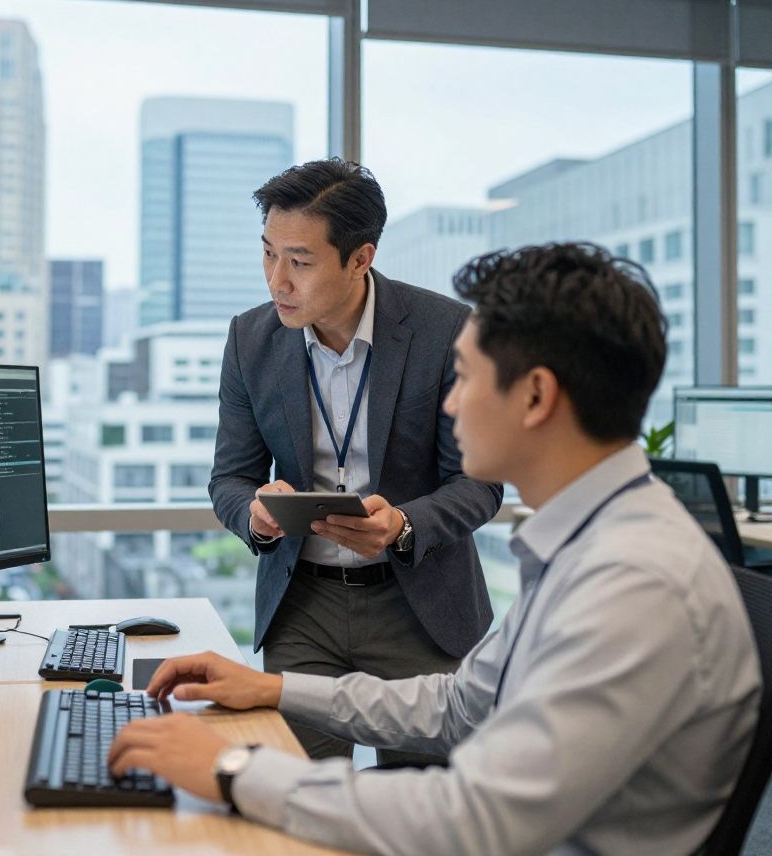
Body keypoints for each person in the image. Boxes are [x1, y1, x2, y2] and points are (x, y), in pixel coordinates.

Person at [109, 242, 761, 855]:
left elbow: (477, 817)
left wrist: (233, 767)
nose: (448, 404)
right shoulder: (594, 543)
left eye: (465, 377)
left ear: (536, 396)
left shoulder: (634, 583)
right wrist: (274, 690)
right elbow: (458, 705)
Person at [209, 157, 502, 761]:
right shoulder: (250, 339)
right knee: (296, 794)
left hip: (418, 603)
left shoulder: (445, 330)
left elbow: (479, 484)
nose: (277, 281)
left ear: (360, 258)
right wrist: (255, 515)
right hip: (303, 606)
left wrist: (403, 524)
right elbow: (230, 478)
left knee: (427, 800)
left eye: (300, 262)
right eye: (268, 254)